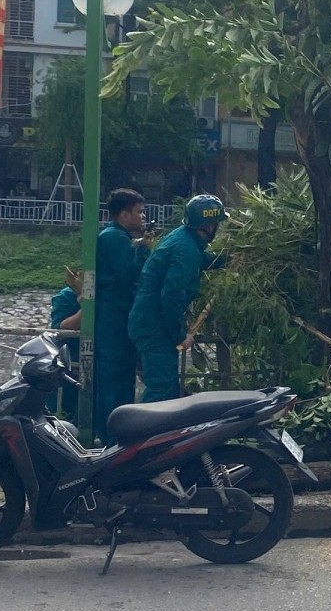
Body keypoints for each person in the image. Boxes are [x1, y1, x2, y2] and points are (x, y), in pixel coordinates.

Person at [129, 194, 229, 403]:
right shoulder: (186, 249)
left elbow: (203, 260)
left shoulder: (184, 238)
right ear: (209, 226)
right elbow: (172, 295)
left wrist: (228, 258)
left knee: (166, 386)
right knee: (162, 387)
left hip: (149, 321)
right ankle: (144, 425)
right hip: (155, 325)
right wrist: (180, 335)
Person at [94, 188, 150, 444]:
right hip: (114, 319)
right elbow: (130, 274)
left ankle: (113, 437)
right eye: (139, 212)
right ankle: (113, 440)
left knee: (119, 380)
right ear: (124, 215)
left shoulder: (116, 237)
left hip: (116, 317)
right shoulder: (114, 238)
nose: (143, 217)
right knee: (115, 382)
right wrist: (144, 250)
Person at [46, 271, 82, 417]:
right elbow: (60, 328)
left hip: (102, 359)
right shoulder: (66, 296)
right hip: (68, 360)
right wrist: (86, 309)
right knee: (63, 408)